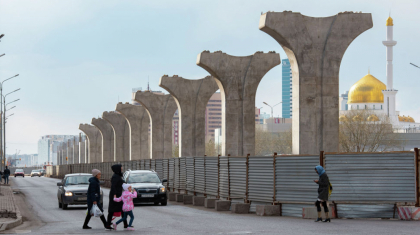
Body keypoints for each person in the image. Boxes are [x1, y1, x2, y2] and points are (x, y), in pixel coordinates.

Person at [107, 164, 128, 229]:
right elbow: (113, 186)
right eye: (121, 167)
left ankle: (125, 224)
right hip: (115, 195)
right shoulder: (115, 176)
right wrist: (115, 195)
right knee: (112, 210)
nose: (122, 168)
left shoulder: (118, 175)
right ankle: (108, 225)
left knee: (122, 209)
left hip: (118, 195)